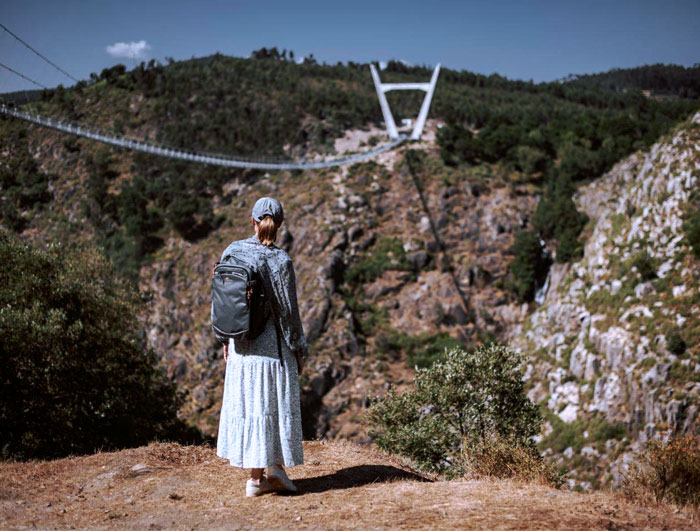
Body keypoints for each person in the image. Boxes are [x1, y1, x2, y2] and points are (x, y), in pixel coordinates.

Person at [215, 197, 308, 497]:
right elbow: (288, 312)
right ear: (279, 226)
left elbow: (221, 300)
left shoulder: (232, 250)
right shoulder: (280, 261)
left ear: (252, 220)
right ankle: (256, 480)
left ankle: (275, 469)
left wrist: (225, 339)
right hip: (271, 349)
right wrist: (298, 348)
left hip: (241, 345)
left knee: (255, 407)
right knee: (270, 406)